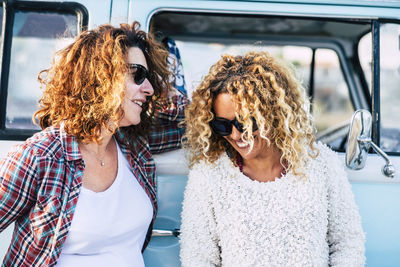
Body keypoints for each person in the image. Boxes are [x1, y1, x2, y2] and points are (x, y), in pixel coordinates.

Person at [0, 22, 187, 266]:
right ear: (100, 78)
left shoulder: (134, 147)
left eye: (149, 78)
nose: (150, 89)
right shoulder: (41, 156)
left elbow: (197, 119)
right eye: (138, 75)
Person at [180, 51, 365, 266]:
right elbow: (198, 258)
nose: (236, 135)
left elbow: (347, 244)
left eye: (246, 123)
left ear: (273, 114)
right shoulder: (208, 174)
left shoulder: (321, 164)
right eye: (222, 125)